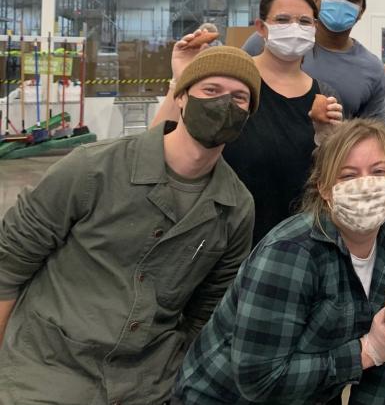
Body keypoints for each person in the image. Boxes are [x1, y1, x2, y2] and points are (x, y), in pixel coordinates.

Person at [0, 46, 260, 405]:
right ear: (181, 97)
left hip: (146, 383)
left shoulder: (236, 207)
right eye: (211, 91)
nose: (224, 105)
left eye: (240, 98)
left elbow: (208, 309)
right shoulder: (92, 168)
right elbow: (9, 264)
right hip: (46, 370)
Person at [174, 119, 385, 405]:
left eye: (379, 171)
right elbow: (259, 382)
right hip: (227, 396)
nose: (366, 185)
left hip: (313, 394)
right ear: (325, 189)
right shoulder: (290, 253)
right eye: (348, 176)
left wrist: (379, 351)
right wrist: (366, 352)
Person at [155, 0, 343, 244]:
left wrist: (328, 139)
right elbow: (158, 141)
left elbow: (330, 175)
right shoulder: (233, 80)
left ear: (314, 28)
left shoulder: (324, 94)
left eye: (304, 21)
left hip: (296, 236)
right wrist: (181, 80)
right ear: (261, 27)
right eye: (283, 20)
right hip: (223, 230)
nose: (294, 28)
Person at [243, 0, 385, 121]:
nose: (341, 3)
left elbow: (373, 132)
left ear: (361, 11)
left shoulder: (372, 69)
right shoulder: (268, 40)